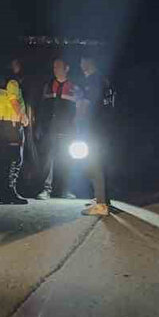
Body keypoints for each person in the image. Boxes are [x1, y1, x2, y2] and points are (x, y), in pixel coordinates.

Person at [35, 58, 80, 199]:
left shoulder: (74, 87)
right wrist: (40, 126)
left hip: (68, 128)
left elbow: (79, 109)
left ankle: (64, 190)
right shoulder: (48, 85)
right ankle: (46, 190)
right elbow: (43, 108)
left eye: (58, 67)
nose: (55, 69)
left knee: (67, 158)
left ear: (66, 68)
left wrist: (76, 126)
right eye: (54, 67)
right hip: (51, 128)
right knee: (48, 158)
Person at [0, 58, 30, 204]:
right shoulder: (12, 83)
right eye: (17, 64)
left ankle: (4, 192)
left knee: (4, 160)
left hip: (0, 123)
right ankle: (11, 192)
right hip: (12, 125)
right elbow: (14, 100)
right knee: (15, 159)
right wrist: (23, 116)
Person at [77, 55, 111, 216]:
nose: (80, 64)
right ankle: (100, 198)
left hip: (93, 128)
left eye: (82, 61)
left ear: (88, 62)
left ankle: (101, 204)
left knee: (94, 163)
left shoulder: (92, 81)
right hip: (102, 128)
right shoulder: (103, 80)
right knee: (94, 163)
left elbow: (86, 105)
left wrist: (78, 122)